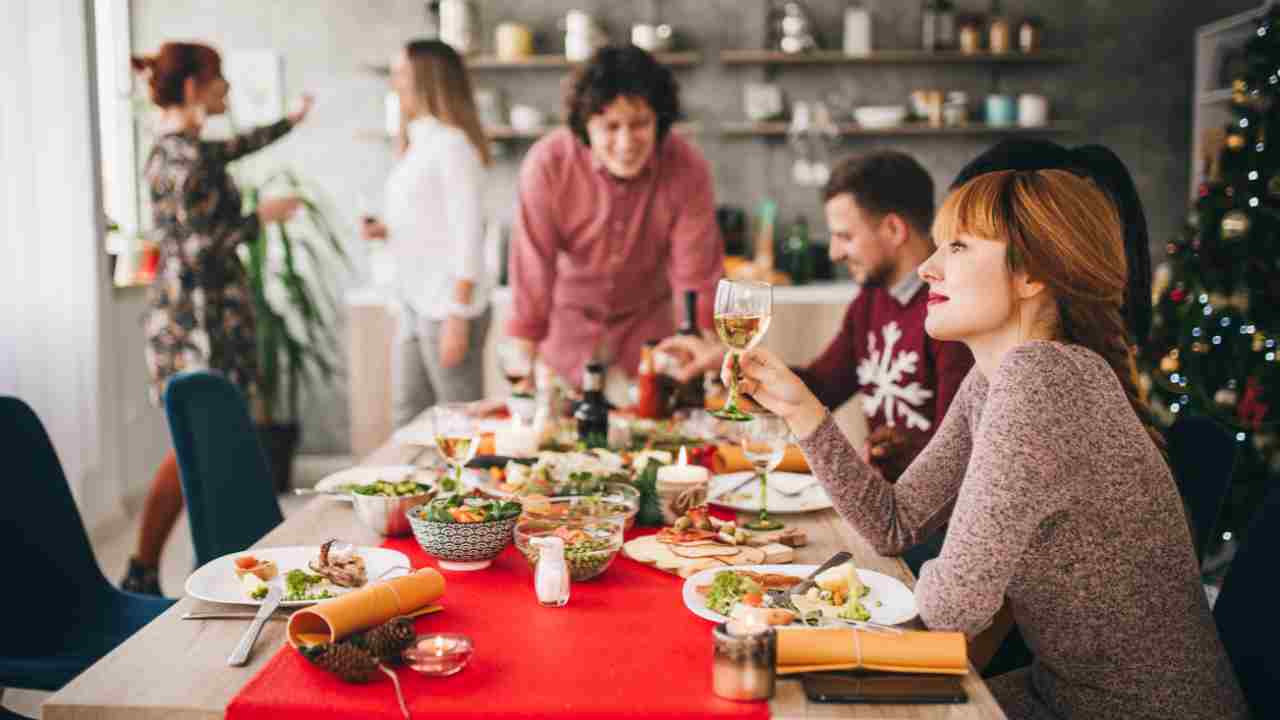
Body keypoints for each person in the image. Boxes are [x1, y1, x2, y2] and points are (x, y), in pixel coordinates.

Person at [731, 169, 1248, 719]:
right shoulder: (997, 378)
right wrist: (801, 410)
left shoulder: (1041, 380)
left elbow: (952, 608)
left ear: (1031, 274)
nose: (928, 267)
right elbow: (895, 523)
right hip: (1062, 695)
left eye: (957, 246)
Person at [121, 43, 311, 594]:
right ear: (193, 88)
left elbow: (233, 147)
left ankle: (182, 565)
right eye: (219, 78)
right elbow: (197, 248)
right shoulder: (184, 158)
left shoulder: (181, 149)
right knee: (192, 444)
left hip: (199, 318)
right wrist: (260, 218)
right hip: (196, 324)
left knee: (204, 442)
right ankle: (144, 566)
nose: (226, 87)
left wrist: (290, 122)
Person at [660, 152, 973, 480]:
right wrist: (730, 360)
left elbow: (959, 451)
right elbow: (821, 387)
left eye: (845, 236)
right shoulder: (869, 302)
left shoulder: (949, 313)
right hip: (887, 498)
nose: (833, 253)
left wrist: (903, 448)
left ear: (894, 229)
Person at [505, 45, 723, 387]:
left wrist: (703, 351)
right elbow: (533, 267)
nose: (625, 142)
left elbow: (696, 273)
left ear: (659, 121)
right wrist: (522, 360)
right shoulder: (548, 164)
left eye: (639, 124)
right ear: (585, 126)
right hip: (568, 327)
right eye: (610, 126)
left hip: (650, 329)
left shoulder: (687, 168)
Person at [361, 39, 492, 428]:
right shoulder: (419, 144)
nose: (394, 83)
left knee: (460, 422)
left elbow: (468, 232)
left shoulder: (453, 146)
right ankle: (412, 492)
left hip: (447, 304)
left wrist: (458, 314)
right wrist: (387, 231)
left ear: (427, 80)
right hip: (414, 301)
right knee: (409, 416)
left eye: (401, 74)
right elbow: (427, 221)